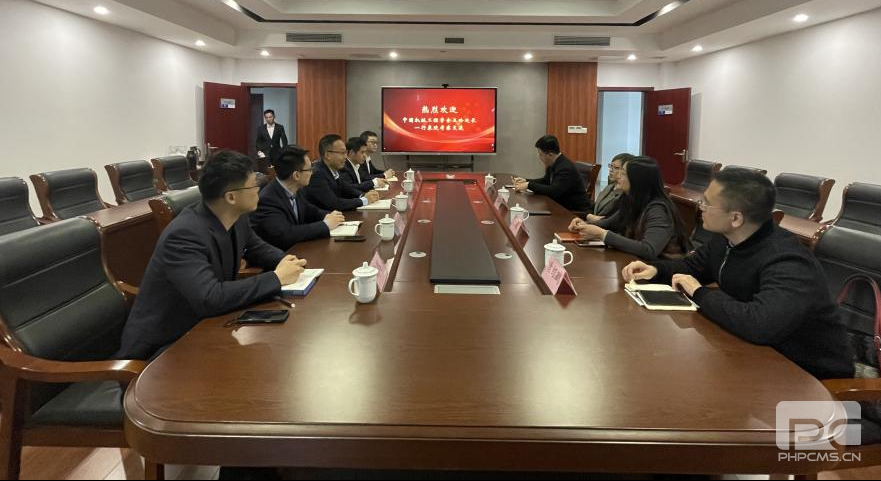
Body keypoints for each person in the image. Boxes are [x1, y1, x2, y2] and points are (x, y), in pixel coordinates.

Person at [621, 168, 854, 380]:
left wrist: (700, 293)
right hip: (752, 354)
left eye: (707, 202)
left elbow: (759, 324)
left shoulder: (788, 260)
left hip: (807, 377)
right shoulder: (727, 239)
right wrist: (656, 269)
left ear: (735, 218)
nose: (700, 207)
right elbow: (692, 267)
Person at [116, 150, 307, 361]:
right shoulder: (184, 235)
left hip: (205, 327)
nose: (258, 191)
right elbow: (210, 297)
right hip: (163, 347)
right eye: (254, 185)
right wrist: (277, 278)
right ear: (231, 197)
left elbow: (257, 248)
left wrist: (286, 261)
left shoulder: (236, 217)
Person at [569, 156, 691, 260]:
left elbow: (648, 249)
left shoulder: (658, 209)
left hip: (664, 271)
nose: (618, 177)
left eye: (623, 174)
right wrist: (584, 225)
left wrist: (602, 235)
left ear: (637, 180)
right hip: (636, 263)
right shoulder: (631, 199)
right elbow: (609, 223)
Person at [250, 145, 346, 251]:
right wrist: (325, 225)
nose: (312, 173)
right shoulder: (268, 200)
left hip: (298, 249)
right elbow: (286, 234)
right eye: (309, 169)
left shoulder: (296, 188)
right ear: (296, 175)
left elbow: (310, 210)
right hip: (282, 255)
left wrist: (328, 215)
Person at [513, 135, 591, 213]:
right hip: (560, 206)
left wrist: (529, 185)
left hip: (575, 212)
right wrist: (526, 181)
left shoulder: (565, 168)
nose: (539, 156)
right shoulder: (554, 163)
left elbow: (554, 191)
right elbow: (545, 181)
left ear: (550, 155)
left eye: (540, 154)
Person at [304, 134, 381, 211]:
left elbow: (346, 188)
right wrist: (364, 200)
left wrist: (363, 195)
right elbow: (334, 204)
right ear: (328, 155)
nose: (345, 157)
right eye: (342, 153)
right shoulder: (317, 174)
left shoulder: (333, 168)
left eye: (345, 153)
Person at [589, 153, 633, 220]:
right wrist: (588, 215)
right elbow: (595, 207)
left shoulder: (624, 194)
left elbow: (609, 220)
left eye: (616, 168)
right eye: (611, 166)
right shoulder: (610, 187)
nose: (611, 170)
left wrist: (589, 218)